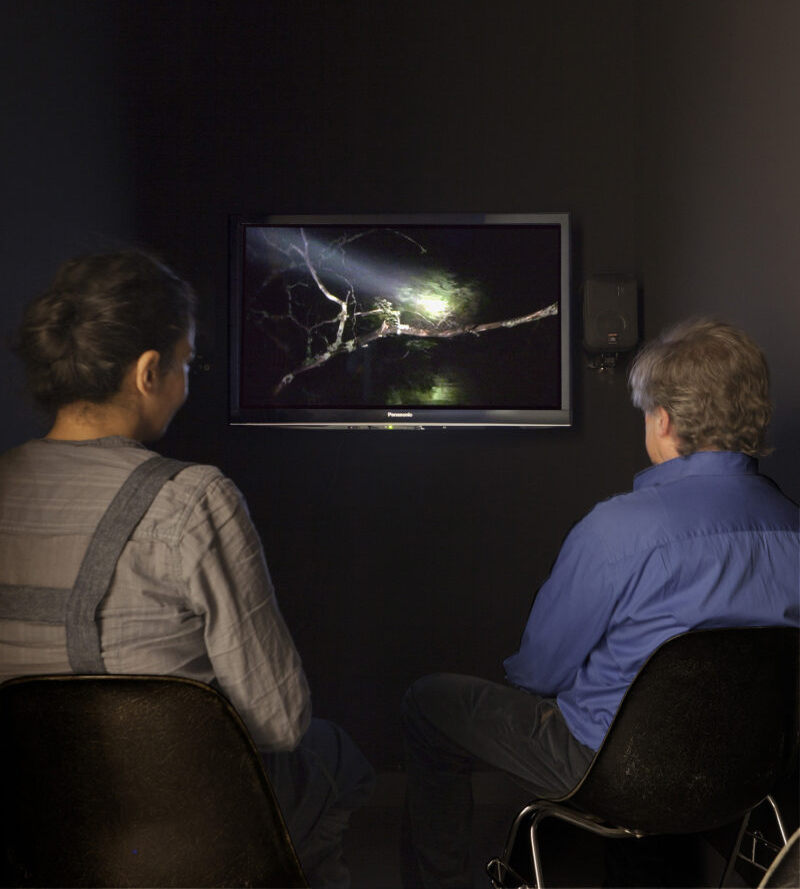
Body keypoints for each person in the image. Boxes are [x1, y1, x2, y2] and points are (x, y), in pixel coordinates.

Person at [0, 248, 374, 888]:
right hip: (182, 833)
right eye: (186, 364)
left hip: (28, 830)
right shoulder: (192, 498)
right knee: (336, 754)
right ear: (149, 371)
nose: (184, 382)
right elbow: (279, 721)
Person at [400, 318, 800, 889]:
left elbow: (539, 672)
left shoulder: (619, 528)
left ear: (662, 420)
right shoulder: (794, 531)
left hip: (610, 773)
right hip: (743, 778)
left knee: (426, 703)